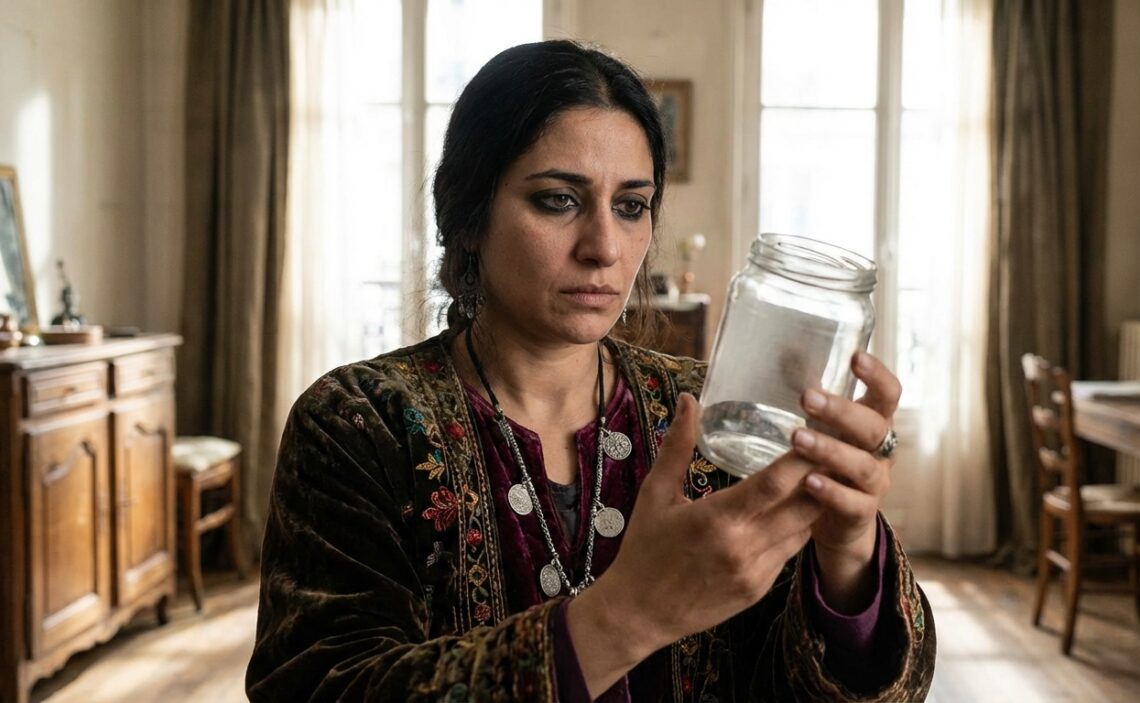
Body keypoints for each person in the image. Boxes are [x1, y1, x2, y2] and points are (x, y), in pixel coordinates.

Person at [246, 40, 935, 702]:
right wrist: (626, 614)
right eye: (558, 199)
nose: (605, 247)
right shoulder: (359, 423)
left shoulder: (713, 418)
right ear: (468, 216)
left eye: (631, 207)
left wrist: (848, 553)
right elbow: (318, 684)